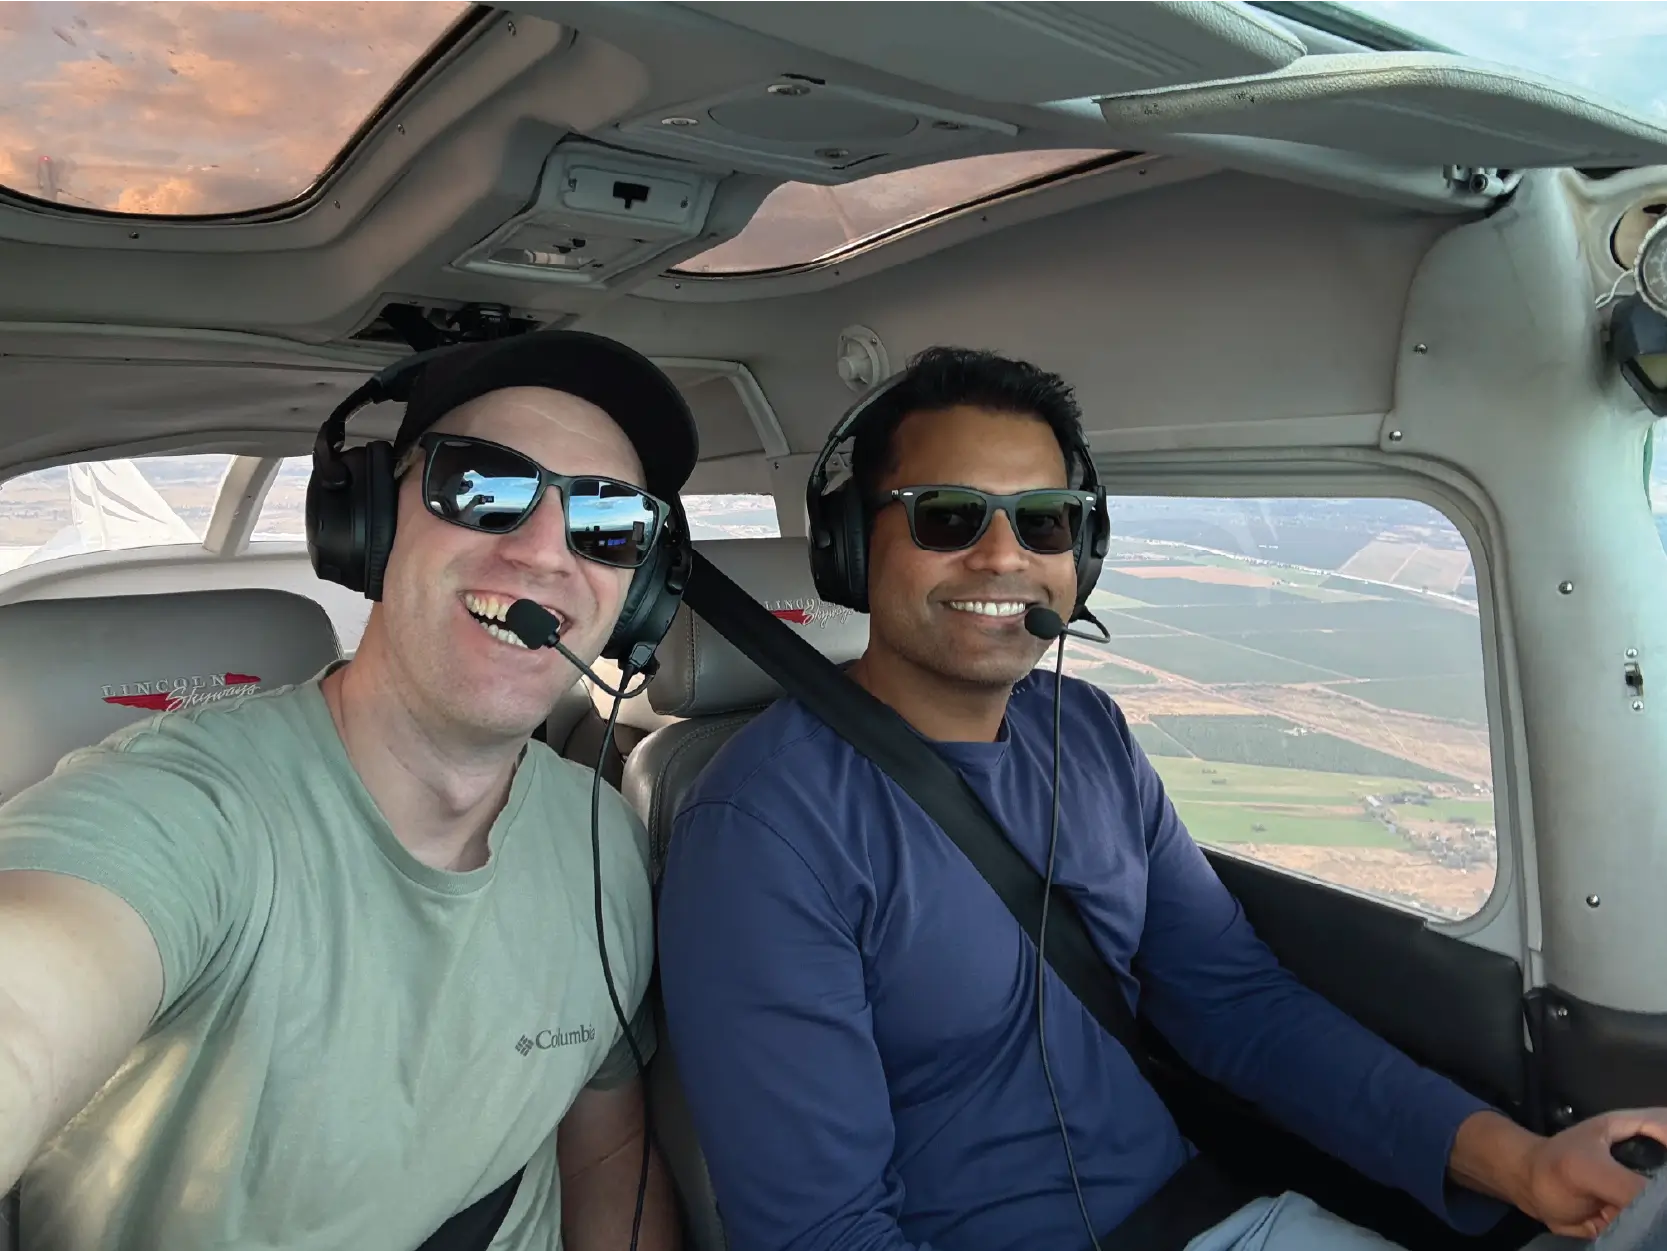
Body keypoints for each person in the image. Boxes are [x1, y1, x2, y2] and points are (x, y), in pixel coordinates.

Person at [656, 345, 1667, 1251]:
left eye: (1043, 521)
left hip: (1215, 1220)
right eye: (947, 515)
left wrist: (1521, 1165)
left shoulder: (1087, 734)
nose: (1003, 556)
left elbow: (1238, 1007)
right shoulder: (761, 828)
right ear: (846, 545)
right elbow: (822, 1231)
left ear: (1079, 556)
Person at [0, 330, 691, 1251]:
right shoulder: (190, 807)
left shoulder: (605, 836)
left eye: (608, 520)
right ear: (368, 522)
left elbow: (606, 1153)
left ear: (634, 587)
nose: (543, 552)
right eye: (482, 488)